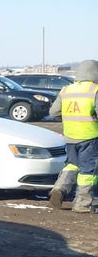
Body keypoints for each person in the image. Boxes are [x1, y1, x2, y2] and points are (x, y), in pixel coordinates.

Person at [48, 59, 98, 213]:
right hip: (90, 136)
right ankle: (82, 204)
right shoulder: (94, 90)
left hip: (70, 137)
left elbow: (53, 112)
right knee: (88, 171)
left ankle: (59, 189)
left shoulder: (66, 90)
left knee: (72, 165)